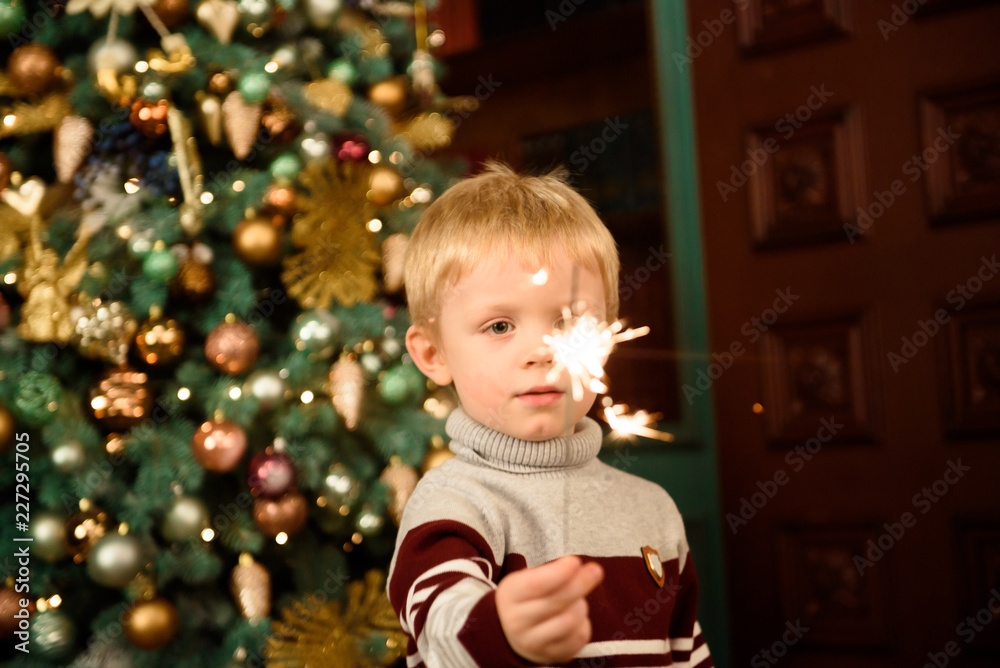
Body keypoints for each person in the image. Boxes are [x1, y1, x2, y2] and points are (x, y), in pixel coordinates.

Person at [387, 160, 712, 667]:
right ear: (433, 354)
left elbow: (686, 653)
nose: (542, 351)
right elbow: (441, 626)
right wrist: (502, 628)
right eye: (498, 326)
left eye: (567, 321)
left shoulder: (654, 509)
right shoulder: (454, 504)